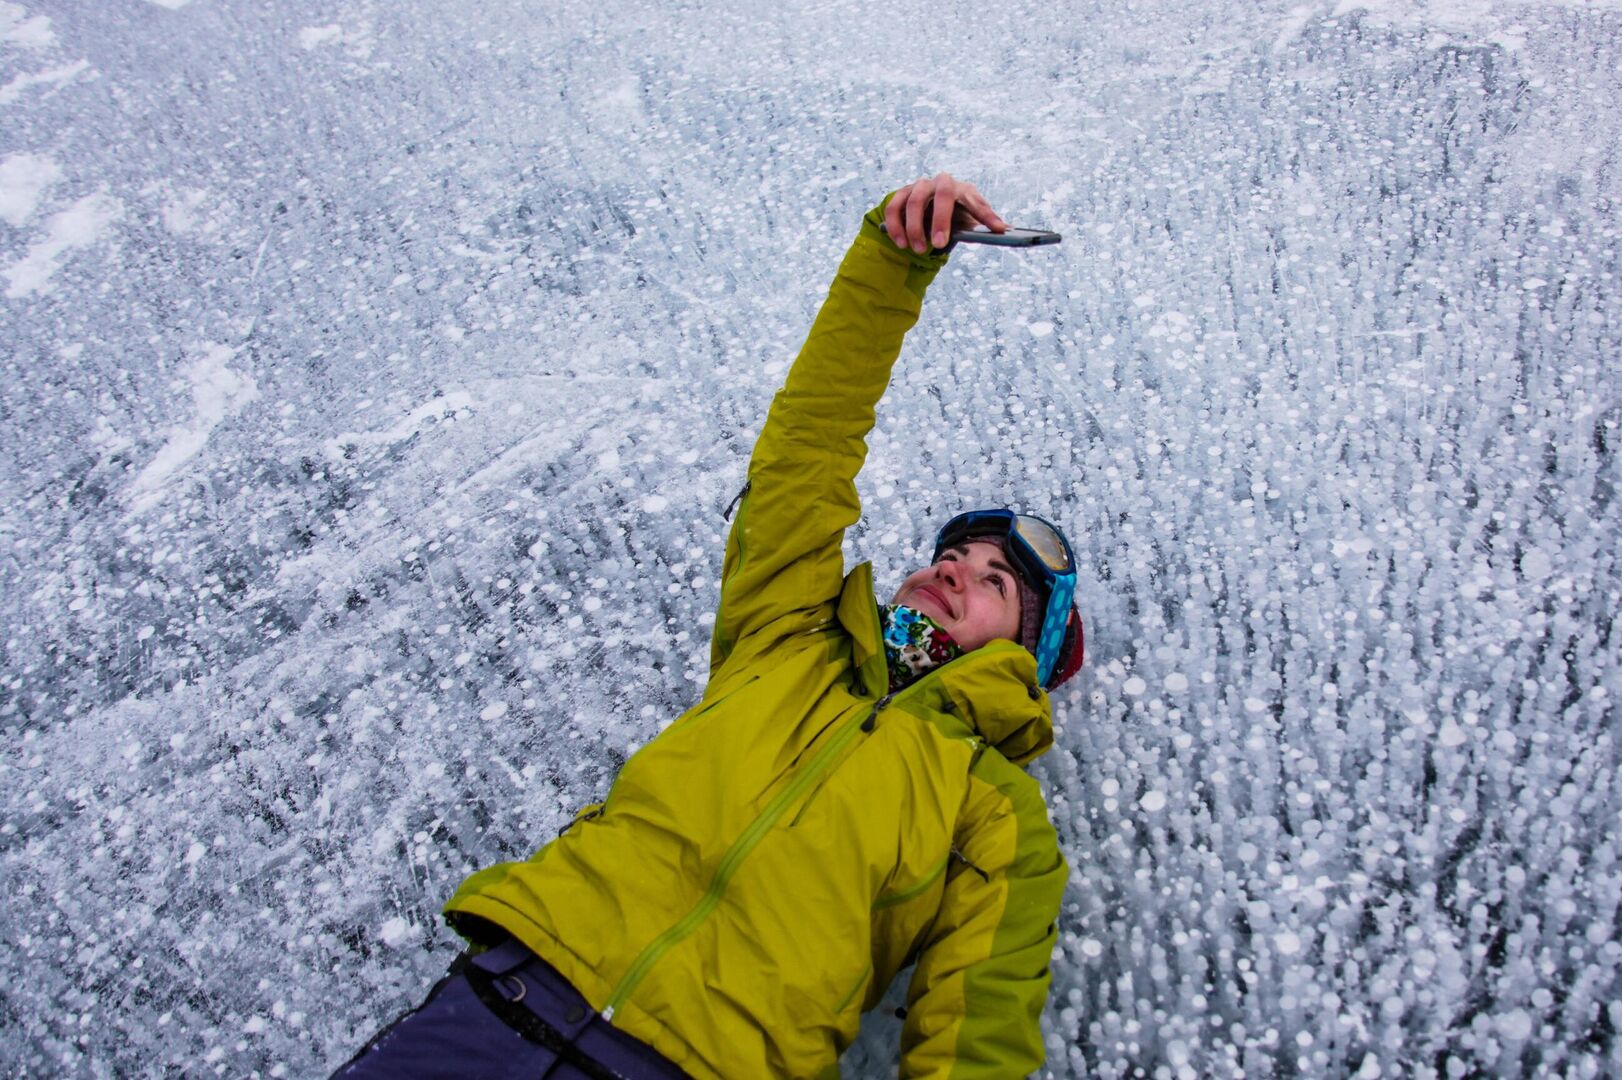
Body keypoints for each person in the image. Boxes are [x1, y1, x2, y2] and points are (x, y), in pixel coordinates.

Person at [333, 173, 1085, 1080]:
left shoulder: (994, 811)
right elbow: (806, 452)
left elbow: (978, 1034)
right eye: (951, 559)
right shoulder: (790, 634)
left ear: (1022, 657)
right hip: (498, 1001)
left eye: (993, 583)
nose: (950, 573)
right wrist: (891, 267)